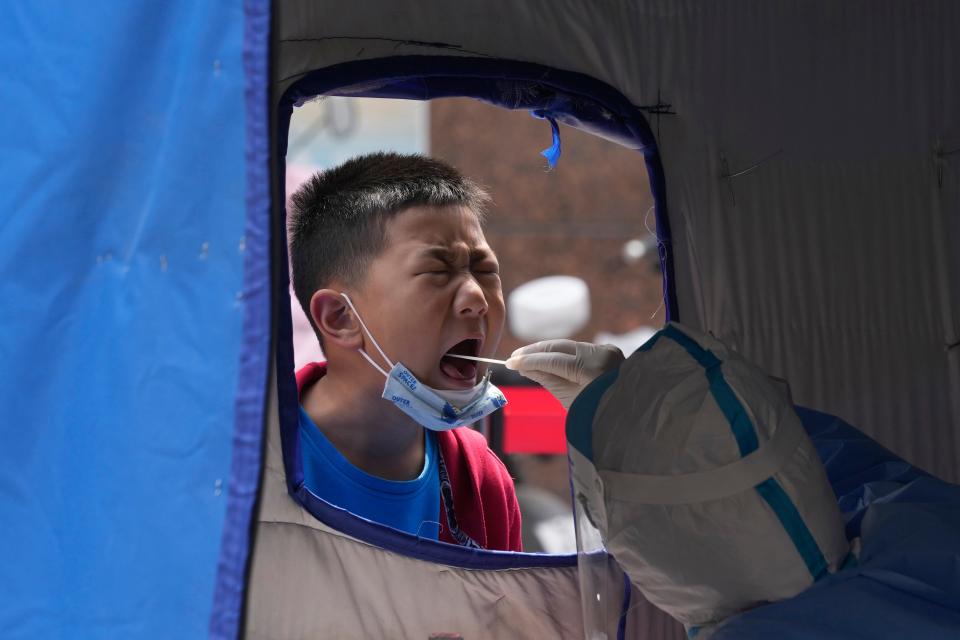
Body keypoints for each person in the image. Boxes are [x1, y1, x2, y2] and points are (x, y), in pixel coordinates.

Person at [288, 152, 522, 551]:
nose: (477, 299)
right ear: (341, 317)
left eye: (485, 271)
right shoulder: (248, 463)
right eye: (437, 272)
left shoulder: (481, 482)